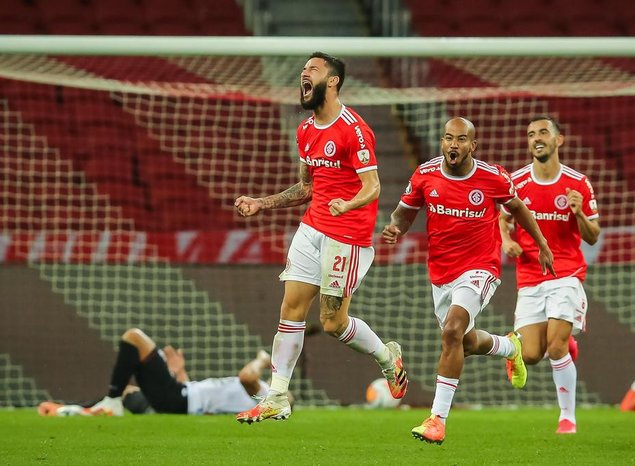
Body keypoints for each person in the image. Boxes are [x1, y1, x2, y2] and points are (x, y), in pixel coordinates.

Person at [233, 51, 407, 423]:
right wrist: (262, 203)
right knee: (290, 309)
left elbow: (373, 187)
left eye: (312, 69)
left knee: (332, 323)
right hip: (312, 229)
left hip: (348, 236)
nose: (303, 74)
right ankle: (277, 395)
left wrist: (348, 205)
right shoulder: (306, 130)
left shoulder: (354, 129)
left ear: (333, 81)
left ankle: (386, 355)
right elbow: (306, 187)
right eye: (302, 70)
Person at [382, 117, 554, 445]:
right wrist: (396, 229)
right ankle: (510, 346)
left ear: (472, 146)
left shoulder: (492, 177)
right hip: (441, 273)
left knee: (451, 332)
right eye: (448, 138)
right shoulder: (425, 175)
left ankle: (437, 419)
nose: (453, 145)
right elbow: (404, 213)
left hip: (480, 267)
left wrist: (542, 243)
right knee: (465, 342)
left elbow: (519, 209)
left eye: (461, 140)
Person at [499, 115, 600, 435]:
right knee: (530, 355)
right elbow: (502, 220)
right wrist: (507, 241)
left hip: (566, 275)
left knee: (555, 348)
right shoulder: (516, 182)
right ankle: (548, 344)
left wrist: (579, 212)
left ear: (559, 140)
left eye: (543, 132)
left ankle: (567, 418)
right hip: (529, 277)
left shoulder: (577, 183)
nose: (536, 138)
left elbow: (593, 236)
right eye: (531, 134)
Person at [37, 328, 278, 416]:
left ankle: (109, 403)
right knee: (129, 391)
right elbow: (203, 398)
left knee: (134, 338)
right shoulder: (252, 397)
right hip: (181, 396)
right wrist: (180, 373)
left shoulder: (265, 393)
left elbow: (247, 375)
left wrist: (261, 359)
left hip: (178, 400)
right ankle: (72, 408)